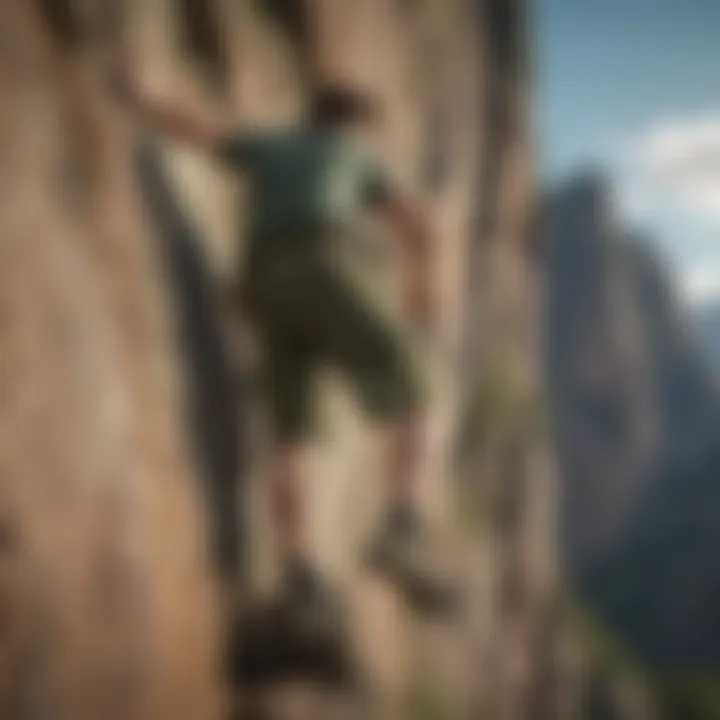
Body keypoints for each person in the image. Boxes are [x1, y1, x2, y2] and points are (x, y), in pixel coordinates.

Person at [113, 73, 456, 641]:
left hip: (265, 284)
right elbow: (420, 226)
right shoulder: (353, 153)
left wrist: (139, 97)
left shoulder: (272, 144)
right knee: (422, 390)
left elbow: (198, 129)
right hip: (323, 261)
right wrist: (425, 291)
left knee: (291, 436)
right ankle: (402, 529)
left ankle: (299, 575)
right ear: (358, 126)